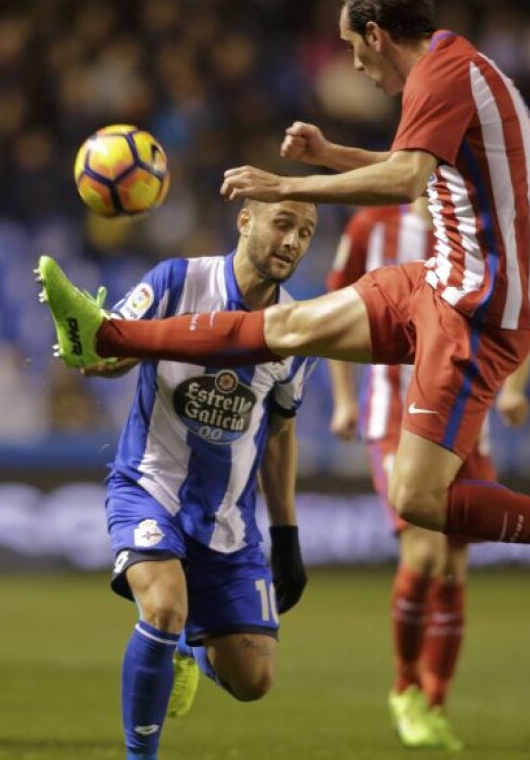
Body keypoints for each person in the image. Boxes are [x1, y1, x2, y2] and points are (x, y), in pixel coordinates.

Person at [36, 0, 530, 639]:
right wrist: (332, 155)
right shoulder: (455, 67)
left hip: (477, 312)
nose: (352, 64)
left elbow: (406, 179)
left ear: (375, 35)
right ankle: (104, 332)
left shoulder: (442, 75)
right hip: (440, 282)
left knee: (417, 497)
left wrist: (287, 184)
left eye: (349, 46)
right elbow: (417, 165)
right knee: (283, 327)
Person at [74, 199, 316, 760]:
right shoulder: (176, 281)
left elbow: (279, 433)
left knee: (254, 679)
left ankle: (189, 649)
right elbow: (111, 351)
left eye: (305, 232)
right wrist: (95, 349)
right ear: (245, 220)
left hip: (228, 520)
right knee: (162, 607)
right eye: (283, 224)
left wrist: (287, 535)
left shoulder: (296, 330)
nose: (292, 242)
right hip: (149, 487)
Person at [325, 200, 530, 749]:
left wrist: (513, 388)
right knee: (424, 555)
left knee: (453, 570)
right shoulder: (373, 226)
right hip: (396, 416)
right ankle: (404, 688)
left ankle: (436, 703)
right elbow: (334, 310)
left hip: (468, 418)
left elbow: (523, 310)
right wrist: (344, 399)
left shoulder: (482, 232)